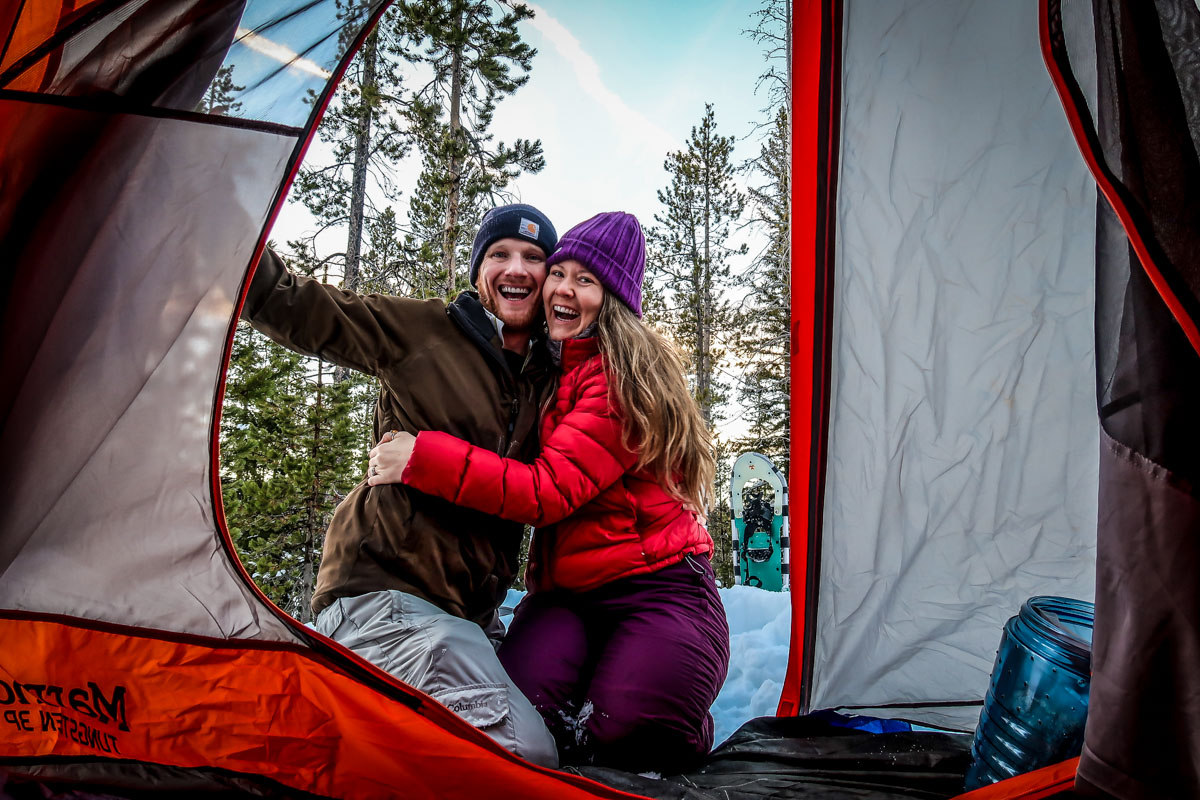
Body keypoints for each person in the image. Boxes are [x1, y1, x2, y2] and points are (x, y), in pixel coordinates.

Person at [367, 212, 731, 773]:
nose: (562, 288)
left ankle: (677, 704)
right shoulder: (552, 370)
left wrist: (421, 457)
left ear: (611, 301)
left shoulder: (619, 379)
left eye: (585, 281)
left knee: (628, 733)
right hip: (567, 596)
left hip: (657, 585)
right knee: (522, 723)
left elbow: (546, 493)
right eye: (559, 272)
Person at [239, 204, 560, 767]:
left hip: (467, 616)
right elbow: (296, 305)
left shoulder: (541, 377)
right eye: (500, 255)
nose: (517, 269)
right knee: (524, 754)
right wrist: (227, 217)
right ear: (478, 272)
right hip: (385, 592)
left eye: (534, 257)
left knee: (557, 715)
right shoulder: (424, 330)